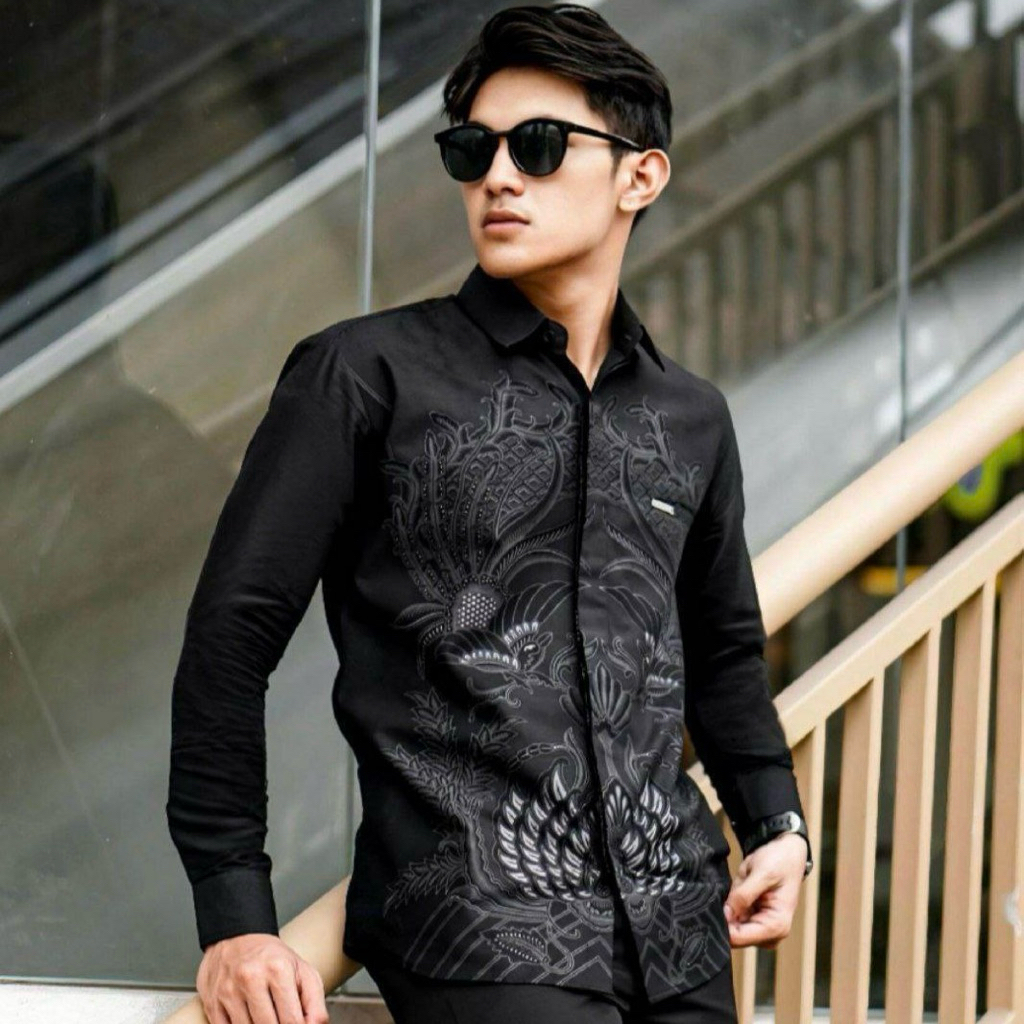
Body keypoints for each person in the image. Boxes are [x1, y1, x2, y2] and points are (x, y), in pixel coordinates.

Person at [166, 5, 814, 1023]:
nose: (499, 176)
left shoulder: (689, 417)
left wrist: (776, 824)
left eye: (541, 145)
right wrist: (235, 915)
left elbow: (720, 650)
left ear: (641, 177)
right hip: (476, 934)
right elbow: (230, 638)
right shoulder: (363, 375)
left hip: (680, 933)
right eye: (474, 150)